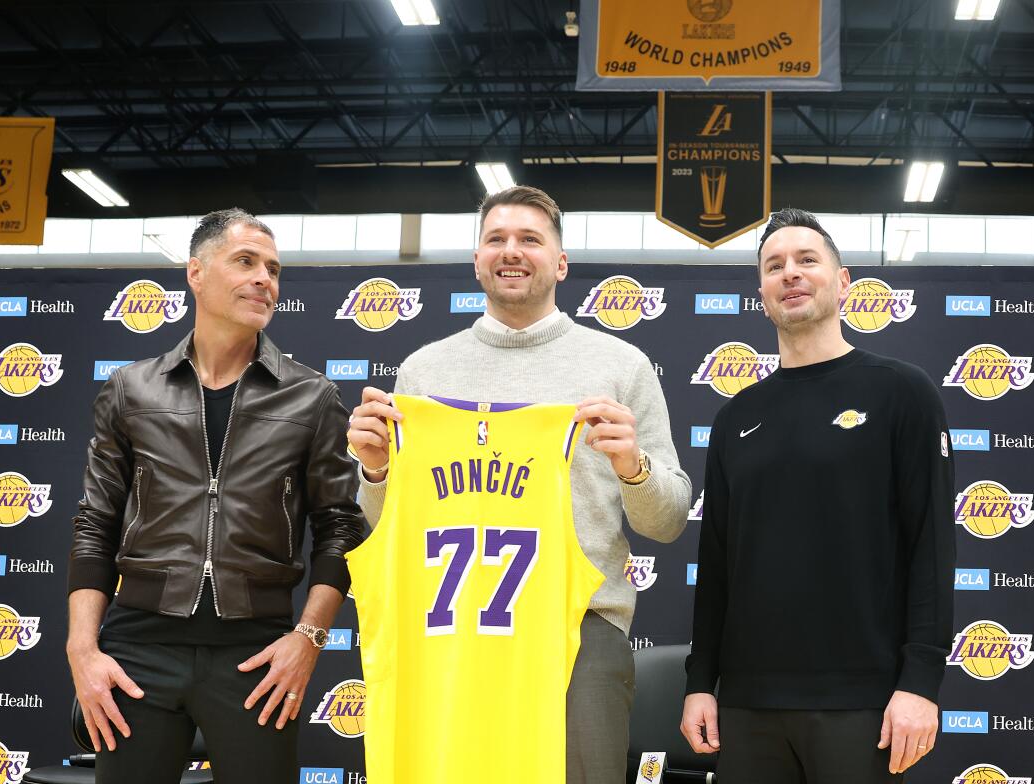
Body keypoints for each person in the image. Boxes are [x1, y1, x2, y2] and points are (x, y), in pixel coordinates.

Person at [347, 185, 692, 783]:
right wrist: (375, 470)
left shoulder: (621, 365)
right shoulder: (422, 371)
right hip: (450, 633)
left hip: (580, 632)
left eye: (531, 239)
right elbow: (386, 523)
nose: (512, 251)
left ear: (560, 262)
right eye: (496, 239)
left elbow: (667, 520)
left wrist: (632, 465)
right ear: (476, 259)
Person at [66, 208, 365, 784]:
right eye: (246, 262)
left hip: (256, 655)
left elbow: (339, 527)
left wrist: (308, 640)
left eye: (274, 269)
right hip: (138, 649)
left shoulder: (313, 396)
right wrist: (83, 649)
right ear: (196, 273)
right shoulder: (131, 389)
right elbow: (95, 521)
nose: (264, 279)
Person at [680, 208, 956, 782]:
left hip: (864, 703)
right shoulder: (736, 418)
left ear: (843, 280)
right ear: (761, 292)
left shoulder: (903, 392)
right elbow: (716, 566)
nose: (791, 273)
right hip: (747, 705)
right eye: (774, 265)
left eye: (807, 260)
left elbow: (931, 547)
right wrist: (699, 684)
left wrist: (920, 683)